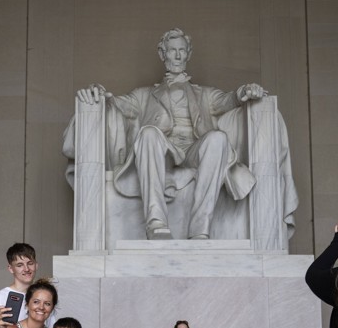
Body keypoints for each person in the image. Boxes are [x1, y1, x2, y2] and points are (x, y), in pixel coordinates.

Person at [75, 28, 269, 240]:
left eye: (182, 50)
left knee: (218, 138)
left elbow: (229, 99)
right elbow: (115, 103)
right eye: (172, 50)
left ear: (188, 53)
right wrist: (98, 92)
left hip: (195, 151)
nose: (177, 55)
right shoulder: (144, 95)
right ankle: (156, 222)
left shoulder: (204, 94)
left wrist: (245, 91)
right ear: (162, 54)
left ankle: (200, 228)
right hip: (164, 150)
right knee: (148, 133)